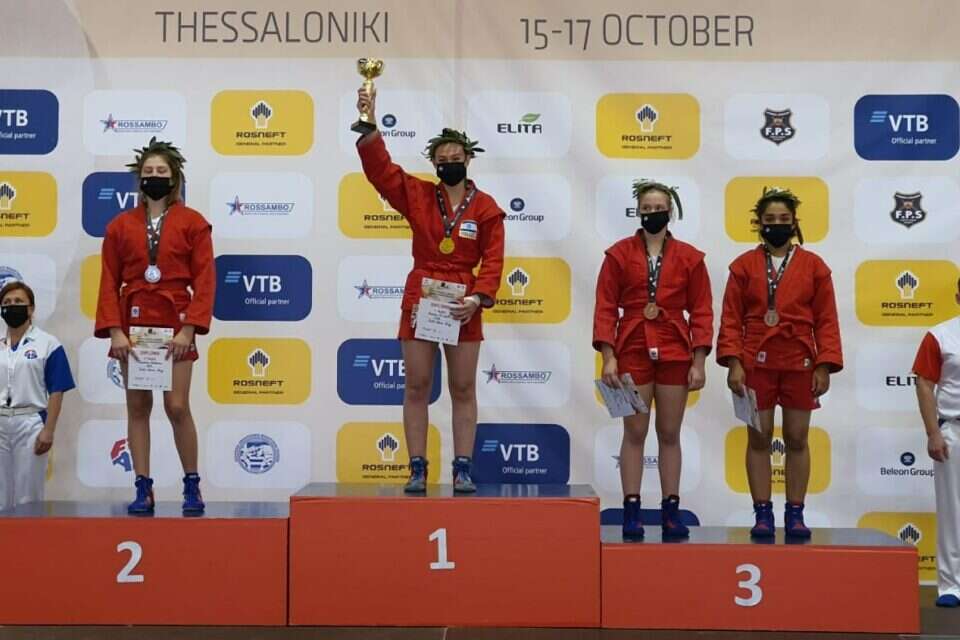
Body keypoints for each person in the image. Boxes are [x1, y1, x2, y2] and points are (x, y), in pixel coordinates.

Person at [356, 86, 505, 493]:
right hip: (422, 296)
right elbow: (381, 173)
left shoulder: (487, 207)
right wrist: (369, 125)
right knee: (417, 385)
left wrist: (478, 298)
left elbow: (494, 259)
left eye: (456, 158)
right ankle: (417, 468)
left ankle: (463, 468)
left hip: (463, 302)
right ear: (434, 164)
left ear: (468, 160)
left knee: (463, 388)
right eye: (443, 160)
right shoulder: (419, 195)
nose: (449, 164)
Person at [95, 137, 215, 515]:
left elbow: (206, 279)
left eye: (161, 171)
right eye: (148, 171)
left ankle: (191, 484)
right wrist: (115, 330)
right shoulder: (119, 226)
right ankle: (142, 486)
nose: (154, 176)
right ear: (139, 179)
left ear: (174, 178)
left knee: (177, 406)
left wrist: (189, 328)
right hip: (133, 325)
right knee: (137, 407)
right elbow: (108, 280)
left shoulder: (194, 223)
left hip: (175, 322)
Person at [717, 187, 842, 539]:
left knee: (797, 437)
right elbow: (731, 318)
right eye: (770, 219)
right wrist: (734, 362)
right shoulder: (743, 266)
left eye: (784, 219)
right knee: (758, 437)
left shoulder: (814, 266)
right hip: (755, 361)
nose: (777, 225)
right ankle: (762, 514)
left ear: (794, 222)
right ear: (759, 223)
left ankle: (795, 513)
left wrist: (824, 364)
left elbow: (827, 320)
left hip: (800, 359)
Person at [593, 180, 713, 538]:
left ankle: (670, 512)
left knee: (669, 433)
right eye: (646, 209)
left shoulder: (690, 258)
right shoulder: (618, 254)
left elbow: (702, 311)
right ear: (638, 212)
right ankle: (631, 511)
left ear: (670, 212)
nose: (653, 214)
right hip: (632, 347)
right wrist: (609, 357)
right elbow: (605, 307)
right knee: (634, 432)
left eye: (659, 208)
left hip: (675, 348)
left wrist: (699, 361)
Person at [0, 281, 75, 512]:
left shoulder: (48, 344)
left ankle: (27, 535)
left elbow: (57, 389)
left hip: (30, 422)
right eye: (7, 302)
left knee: (28, 495)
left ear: (31, 308)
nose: (12, 306)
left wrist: (49, 430)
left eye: (18, 301)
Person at [912, 278, 960, 608]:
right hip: (953, 429)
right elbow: (925, 384)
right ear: (958, 296)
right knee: (952, 509)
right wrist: (933, 432)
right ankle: (951, 584)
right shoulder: (940, 335)